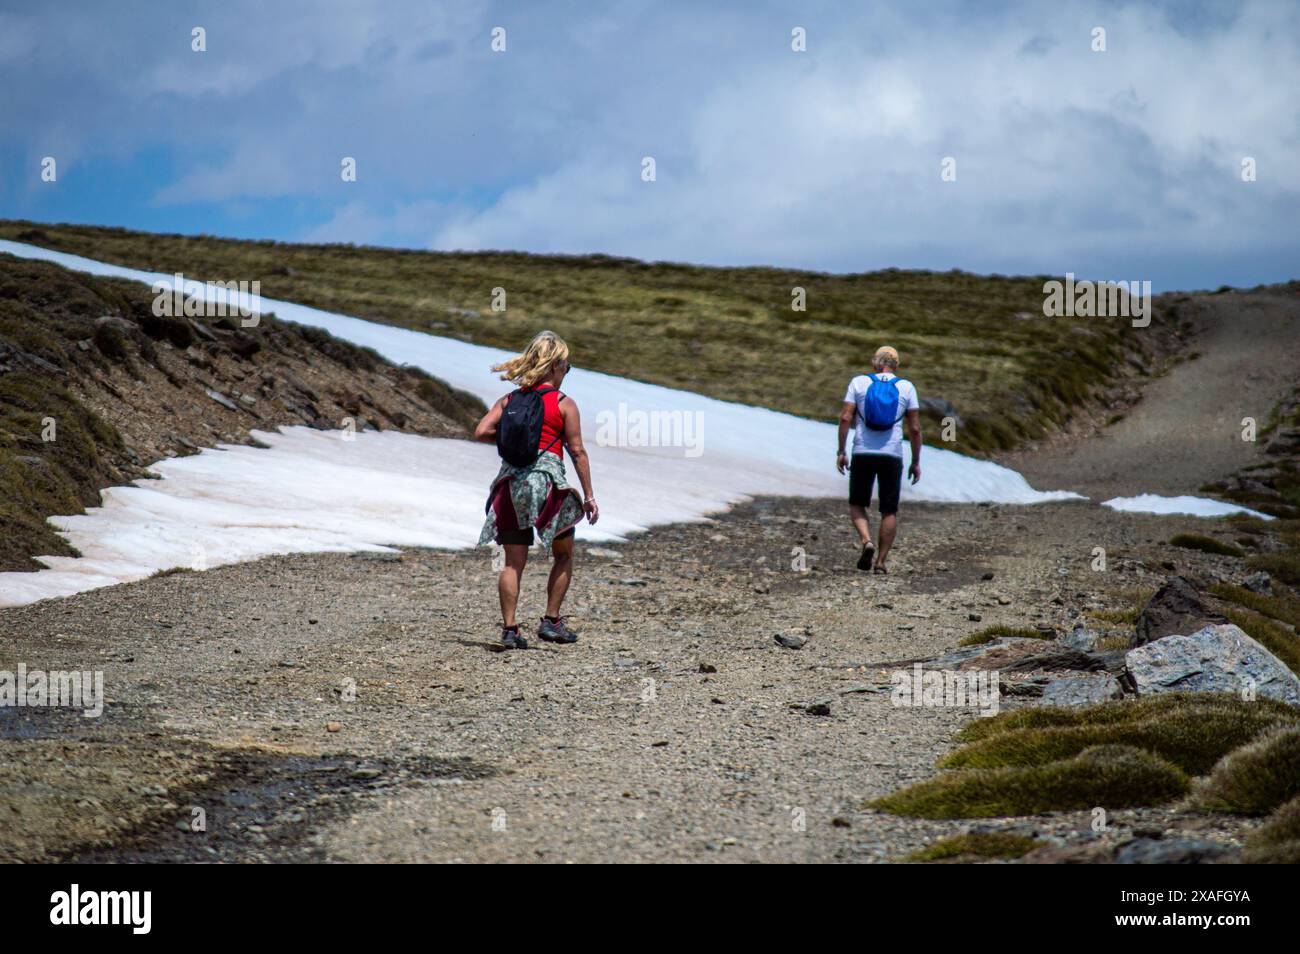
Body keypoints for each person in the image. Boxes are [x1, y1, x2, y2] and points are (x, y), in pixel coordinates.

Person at [475, 331, 599, 649]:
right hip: (548, 488)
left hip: (510, 486)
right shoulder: (563, 404)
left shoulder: (511, 400)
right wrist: (588, 496)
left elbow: (481, 431)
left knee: (513, 562)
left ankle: (511, 629)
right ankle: (551, 621)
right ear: (556, 365)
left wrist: (510, 441)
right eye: (566, 367)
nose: (565, 374)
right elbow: (577, 451)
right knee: (564, 554)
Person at [836, 345, 921, 574]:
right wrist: (915, 460)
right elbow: (914, 429)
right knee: (889, 510)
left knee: (857, 503)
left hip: (863, 452)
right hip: (892, 454)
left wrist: (841, 451)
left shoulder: (858, 382)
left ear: (874, 363)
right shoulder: (906, 387)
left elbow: (845, 417)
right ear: (897, 365)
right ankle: (881, 562)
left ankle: (866, 540)